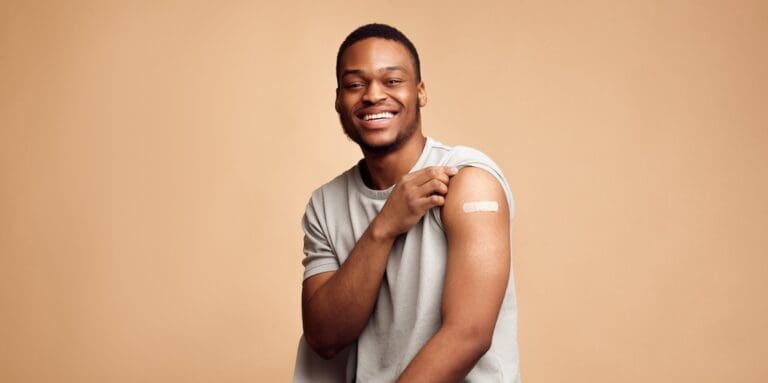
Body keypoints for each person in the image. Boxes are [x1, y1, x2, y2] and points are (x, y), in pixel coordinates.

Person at [293, 23, 520, 382]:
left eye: (392, 81)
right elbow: (325, 337)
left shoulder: (469, 181)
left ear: (420, 92)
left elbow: (469, 334)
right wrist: (384, 226)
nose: (373, 95)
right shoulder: (325, 204)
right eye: (355, 84)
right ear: (339, 99)